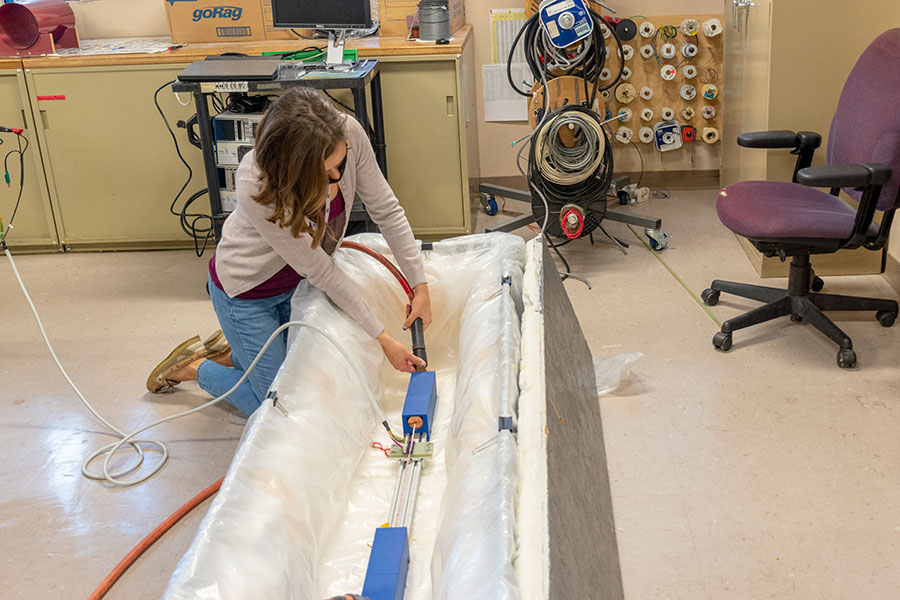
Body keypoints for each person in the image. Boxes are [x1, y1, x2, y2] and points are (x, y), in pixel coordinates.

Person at [146, 88, 431, 418]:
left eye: (341, 162)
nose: (338, 176)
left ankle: (237, 354)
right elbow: (321, 270)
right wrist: (384, 339)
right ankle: (194, 367)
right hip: (247, 295)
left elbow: (386, 210)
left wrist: (420, 284)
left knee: (303, 381)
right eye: (327, 171)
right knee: (278, 408)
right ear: (295, 166)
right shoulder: (257, 183)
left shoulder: (346, 132)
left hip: (294, 287)